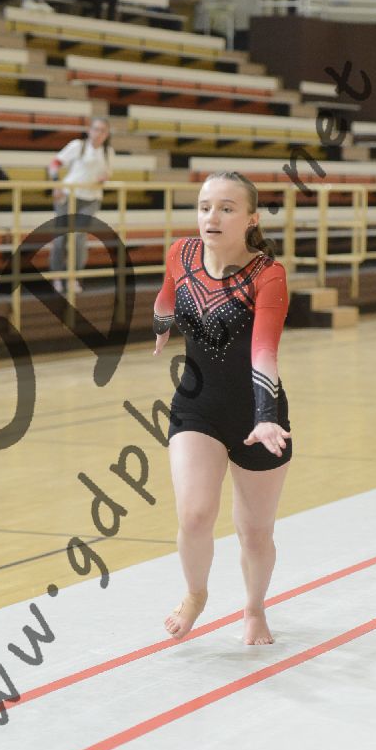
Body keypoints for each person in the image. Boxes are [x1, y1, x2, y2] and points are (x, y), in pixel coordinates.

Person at [152, 171, 292, 647]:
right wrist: (161, 324)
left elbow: (264, 351)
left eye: (227, 208)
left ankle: (254, 608)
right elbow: (168, 292)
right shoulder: (182, 253)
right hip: (197, 407)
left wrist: (266, 416)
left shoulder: (268, 275)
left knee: (255, 532)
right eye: (205, 206)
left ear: (251, 219)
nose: (212, 216)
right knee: (194, 515)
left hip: (258, 414)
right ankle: (196, 594)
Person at [47, 118, 114, 293]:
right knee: (61, 238)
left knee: (78, 237)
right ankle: (56, 276)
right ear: (89, 130)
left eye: (102, 131)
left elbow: (107, 173)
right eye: (95, 129)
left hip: (91, 198)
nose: (98, 134)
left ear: (106, 134)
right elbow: (54, 164)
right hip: (69, 195)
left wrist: (104, 178)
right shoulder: (77, 146)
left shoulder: (108, 152)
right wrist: (56, 183)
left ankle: (74, 277)